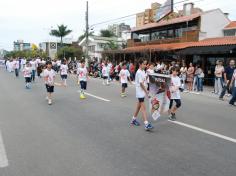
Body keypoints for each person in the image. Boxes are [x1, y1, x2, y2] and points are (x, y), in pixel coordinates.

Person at [131, 59, 153, 131]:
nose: (145, 65)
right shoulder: (139, 72)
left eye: (146, 64)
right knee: (143, 108)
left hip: (142, 91)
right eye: (144, 64)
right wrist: (147, 92)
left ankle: (133, 119)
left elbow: (144, 80)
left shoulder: (143, 71)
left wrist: (147, 75)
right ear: (140, 64)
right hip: (140, 92)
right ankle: (146, 124)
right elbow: (141, 84)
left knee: (138, 107)